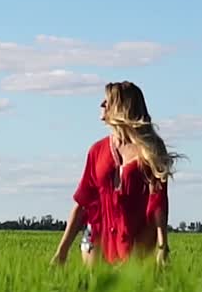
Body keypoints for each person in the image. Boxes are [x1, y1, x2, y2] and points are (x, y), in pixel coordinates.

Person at [51, 81, 181, 267]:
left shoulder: (151, 149)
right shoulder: (97, 150)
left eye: (108, 101)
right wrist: (61, 252)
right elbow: (82, 202)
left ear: (122, 107)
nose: (102, 105)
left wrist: (162, 246)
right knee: (95, 290)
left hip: (136, 237)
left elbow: (158, 202)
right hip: (97, 234)